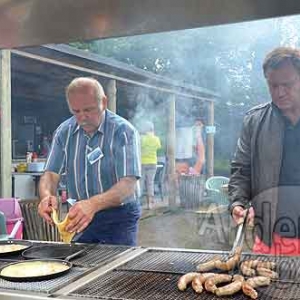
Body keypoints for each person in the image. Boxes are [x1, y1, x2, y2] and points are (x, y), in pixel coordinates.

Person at [38, 77, 141, 245]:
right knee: (79, 264)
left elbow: (128, 184)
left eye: (88, 110)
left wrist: (93, 204)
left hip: (119, 216)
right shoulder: (64, 132)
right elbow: (50, 174)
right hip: (79, 214)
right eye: (76, 111)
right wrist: (47, 196)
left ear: (104, 102)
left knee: (118, 266)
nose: (82, 117)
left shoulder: (123, 131)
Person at [229, 47, 300, 255]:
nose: (279, 92)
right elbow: (241, 170)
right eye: (273, 85)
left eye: (287, 84)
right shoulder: (255, 121)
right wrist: (237, 202)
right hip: (270, 238)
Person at [140, 121, 161, 209]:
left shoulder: (142, 138)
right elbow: (158, 147)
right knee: (150, 183)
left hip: (142, 163)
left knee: (140, 183)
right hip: (153, 163)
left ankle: (138, 202)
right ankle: (150, 204)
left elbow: (139, 146)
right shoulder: (156, 139)